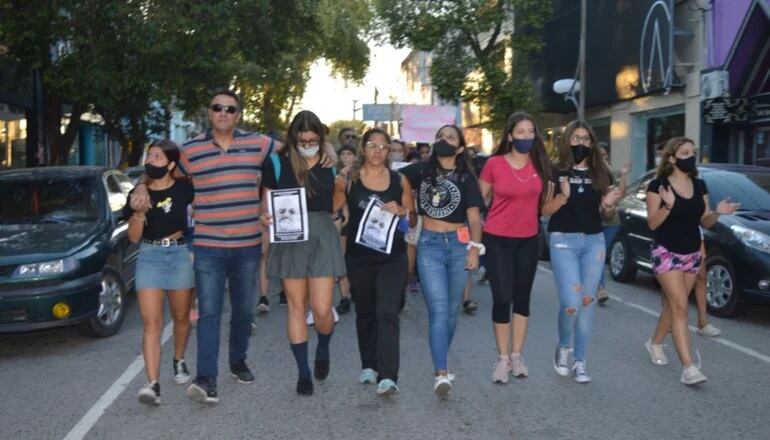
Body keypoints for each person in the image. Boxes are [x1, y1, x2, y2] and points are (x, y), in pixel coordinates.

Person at [130, 90, 337, 404]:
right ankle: (206, 378)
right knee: (210, 312)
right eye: (217, 108)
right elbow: (164, 172)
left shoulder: (259, 144)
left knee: (243, 310)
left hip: (247, 244)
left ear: (238, 115)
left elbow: (298, 145)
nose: (223, 113)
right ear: (210, 113)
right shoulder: (191, 150)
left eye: (230, 109)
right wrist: (142, 184)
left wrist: (329, 148)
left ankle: (237, 360)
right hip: (208, 246)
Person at [261, 110, 347, 396]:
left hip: (322, 233)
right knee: (297, 307)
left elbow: (337, 203)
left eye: (313, 139)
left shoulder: (329, 161)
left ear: (321, 138)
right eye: (303, 139)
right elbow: (265, 204)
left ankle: (323, 347)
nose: (308, 143)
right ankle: (303, 373)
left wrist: (339, 190)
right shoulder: (275, 163)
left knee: (322, 308)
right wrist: (265, 217)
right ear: (293, 137)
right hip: (289, 237)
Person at [643, 137, 738, 386]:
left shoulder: (699, 184)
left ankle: (654, 342)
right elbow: (652, 223)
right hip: (666, 252)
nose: (690, 157)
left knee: (674, 305)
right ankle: (689, 368)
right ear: (672, 158)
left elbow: (705, 220)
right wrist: (668, 206)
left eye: (693, 152)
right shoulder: (658, 185)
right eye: (685, 152)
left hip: (692, 254)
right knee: (681, 308)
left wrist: (718, 212)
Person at [400, 125, 484, 397]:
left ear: (459, 148)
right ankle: (441, 371)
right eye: (440, 136)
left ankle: (441, 358)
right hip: (430, 245)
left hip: (459, 246)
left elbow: (474, 218)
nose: (443, 140)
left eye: (450, 137)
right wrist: (407, 207)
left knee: (451, 311)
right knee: (437, 310)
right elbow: (388, 178)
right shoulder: (421, 170)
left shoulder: (467, 178)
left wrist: (474, 247)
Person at [541, 120, 622, 384]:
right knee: (571, 303)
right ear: (567, 141)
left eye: (586, 139)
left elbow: (606, 213)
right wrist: (563, 197)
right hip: (563, 240)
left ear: (592, 143)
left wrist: (609, 205)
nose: (581, 143)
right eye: (575, 138)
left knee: (587, 303)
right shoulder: (554, 171)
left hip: (593, 242)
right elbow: (545, 211)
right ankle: (563, 346)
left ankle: (580, 361)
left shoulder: (601, 173)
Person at [478, 112, 553, 383]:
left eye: (530, 131)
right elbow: (478, 199)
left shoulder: (541, 166)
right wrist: (475, 234)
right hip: (497, 238)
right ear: (510, 135)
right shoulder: (494, 164)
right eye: (520, 132)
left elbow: (546, 204)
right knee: (502, 297)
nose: (525, 136)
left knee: (522, 297)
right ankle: (502, 358)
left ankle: (517, 355)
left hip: (529, 240)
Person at [342, 128, 415, 395]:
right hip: (358, 258)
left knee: (387, 312)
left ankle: (388, 375)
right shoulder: (349, 178)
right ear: (363, 149)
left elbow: (413, 221)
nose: (377, 150)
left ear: (389, 151)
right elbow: (337, 213)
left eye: (383, 146)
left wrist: (403, 211)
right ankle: (369, 365)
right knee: (365, 312)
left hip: (391, 257)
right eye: (372, 145)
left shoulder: (399, 180)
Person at [126, 140, 194, 405]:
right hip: (150, 256)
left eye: (157, 156)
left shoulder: (185, 189)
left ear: (171, 164)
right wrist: (140, 213)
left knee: (180, 317)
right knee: (151, 322)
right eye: (149, 155)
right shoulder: (139, 193)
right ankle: (152, 384)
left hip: (178, 254)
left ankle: (179, 359)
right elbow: (133, 238)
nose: (150, 160)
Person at [595, 143, 630, 304]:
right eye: (599, 154)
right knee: (596, 255)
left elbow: (621, 194)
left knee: (600, 254)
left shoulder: (610, 172)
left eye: (604, 155)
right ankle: (594, 285)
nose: (602, 157)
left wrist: (623, 175)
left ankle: (600, 288)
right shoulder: (588, 173)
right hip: (592, 222)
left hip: (610, 221)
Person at [334, 145, 357, 315]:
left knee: (357, 259)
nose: (345, 157)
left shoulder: (362, 173)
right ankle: (344, 297)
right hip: (344, 220)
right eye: (342, 153)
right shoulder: (335, 173)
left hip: (361, 220)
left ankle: (357, 291)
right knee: (342, 257)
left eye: (349, 154)